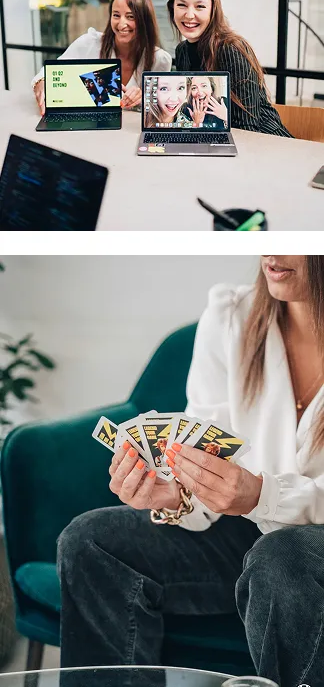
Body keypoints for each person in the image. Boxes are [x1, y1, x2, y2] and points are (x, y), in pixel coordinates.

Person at [58, 255, 324, 687]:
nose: (273, 254)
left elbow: (263, 506)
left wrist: (264, 496)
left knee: (282, 558)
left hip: (299, 546)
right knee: (90, 540)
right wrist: (177, 493)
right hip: (251, 528)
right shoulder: (231, 316)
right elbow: (206, 447)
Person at [167, 0, 293, 137]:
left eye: (200, 6)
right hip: (217, 138)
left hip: (264, 140)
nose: (189, 15)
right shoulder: (182, 51)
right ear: (172, 8)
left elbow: (248, 128)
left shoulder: (230, 49)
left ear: (213, 11)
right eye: (182, 5)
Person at [32, 0, 172, 114]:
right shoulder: (90, 43)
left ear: (144, 21)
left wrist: (144, 99)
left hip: (130, 129)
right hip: (91, 123)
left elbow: (161, 110)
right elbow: (50, 73)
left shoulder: (159, 60)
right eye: (116, 15)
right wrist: (42, 83)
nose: (121, 24)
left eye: (130, 17)